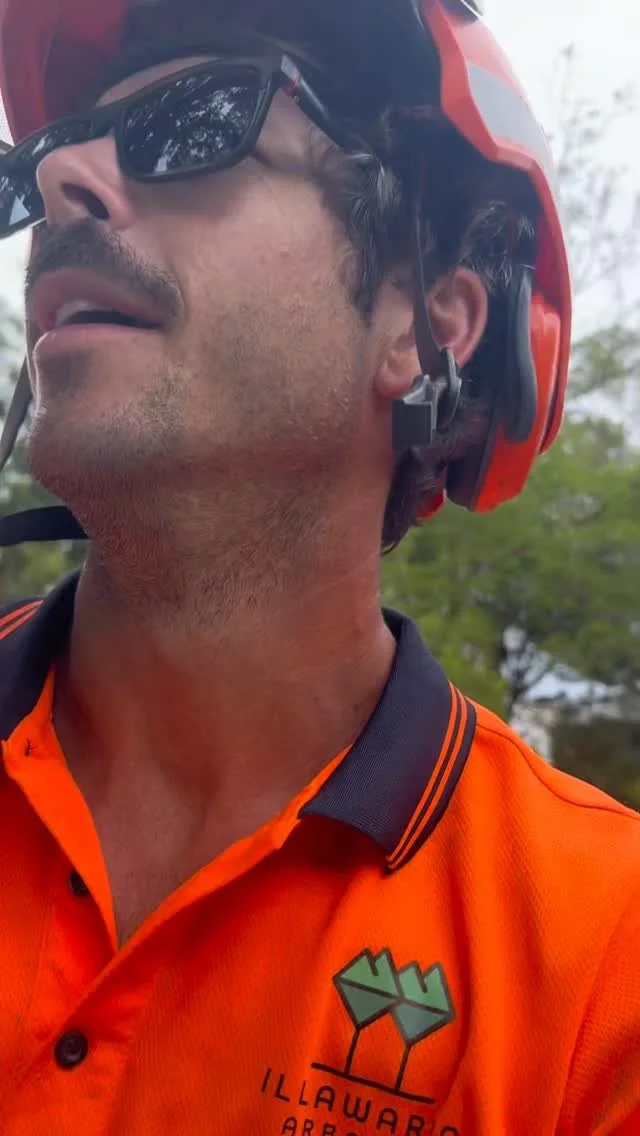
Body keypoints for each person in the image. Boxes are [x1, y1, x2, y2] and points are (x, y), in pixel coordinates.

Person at [0, 0, 636, 1131]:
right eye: (44, 156)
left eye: (194, 122)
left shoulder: (598, 954)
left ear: (426, 327)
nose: (60, 182)